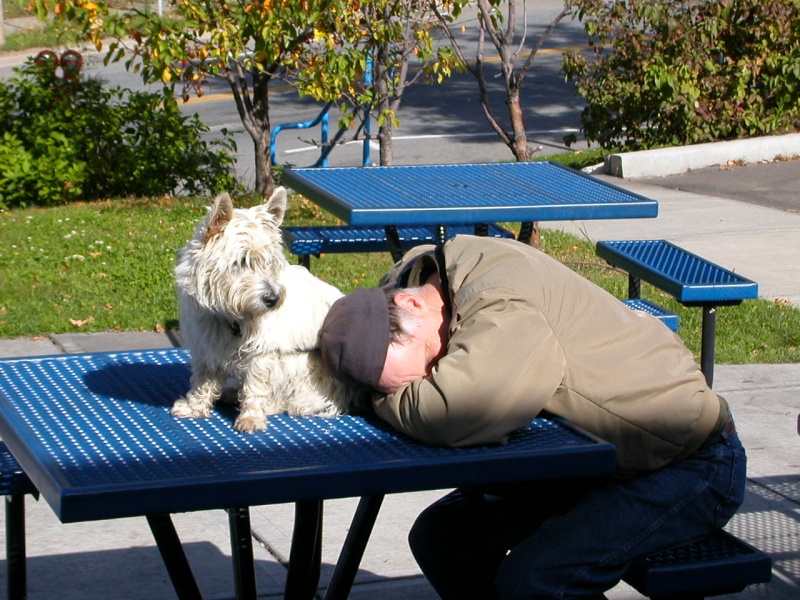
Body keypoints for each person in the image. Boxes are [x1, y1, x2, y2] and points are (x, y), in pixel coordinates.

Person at [319, 235, 746, 600]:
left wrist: (377, 401)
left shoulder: (501, 299)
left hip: (694, 464)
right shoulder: (426, 281)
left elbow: (454, 409)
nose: (430, 379)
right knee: (441, 538)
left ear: (411, 302)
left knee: (538, 579)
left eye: (426, 370)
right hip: (602, 466)